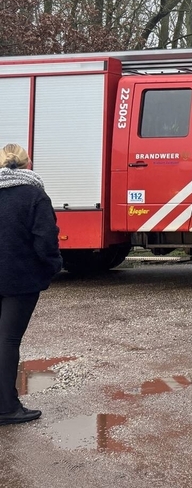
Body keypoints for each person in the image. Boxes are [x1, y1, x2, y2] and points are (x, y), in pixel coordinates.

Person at [0, 144, 62, 426]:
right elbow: (45, 240)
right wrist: (52, 267)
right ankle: (7, 407)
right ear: (28, 164)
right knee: (8, 340)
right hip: (20, 280)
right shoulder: (35, 195)